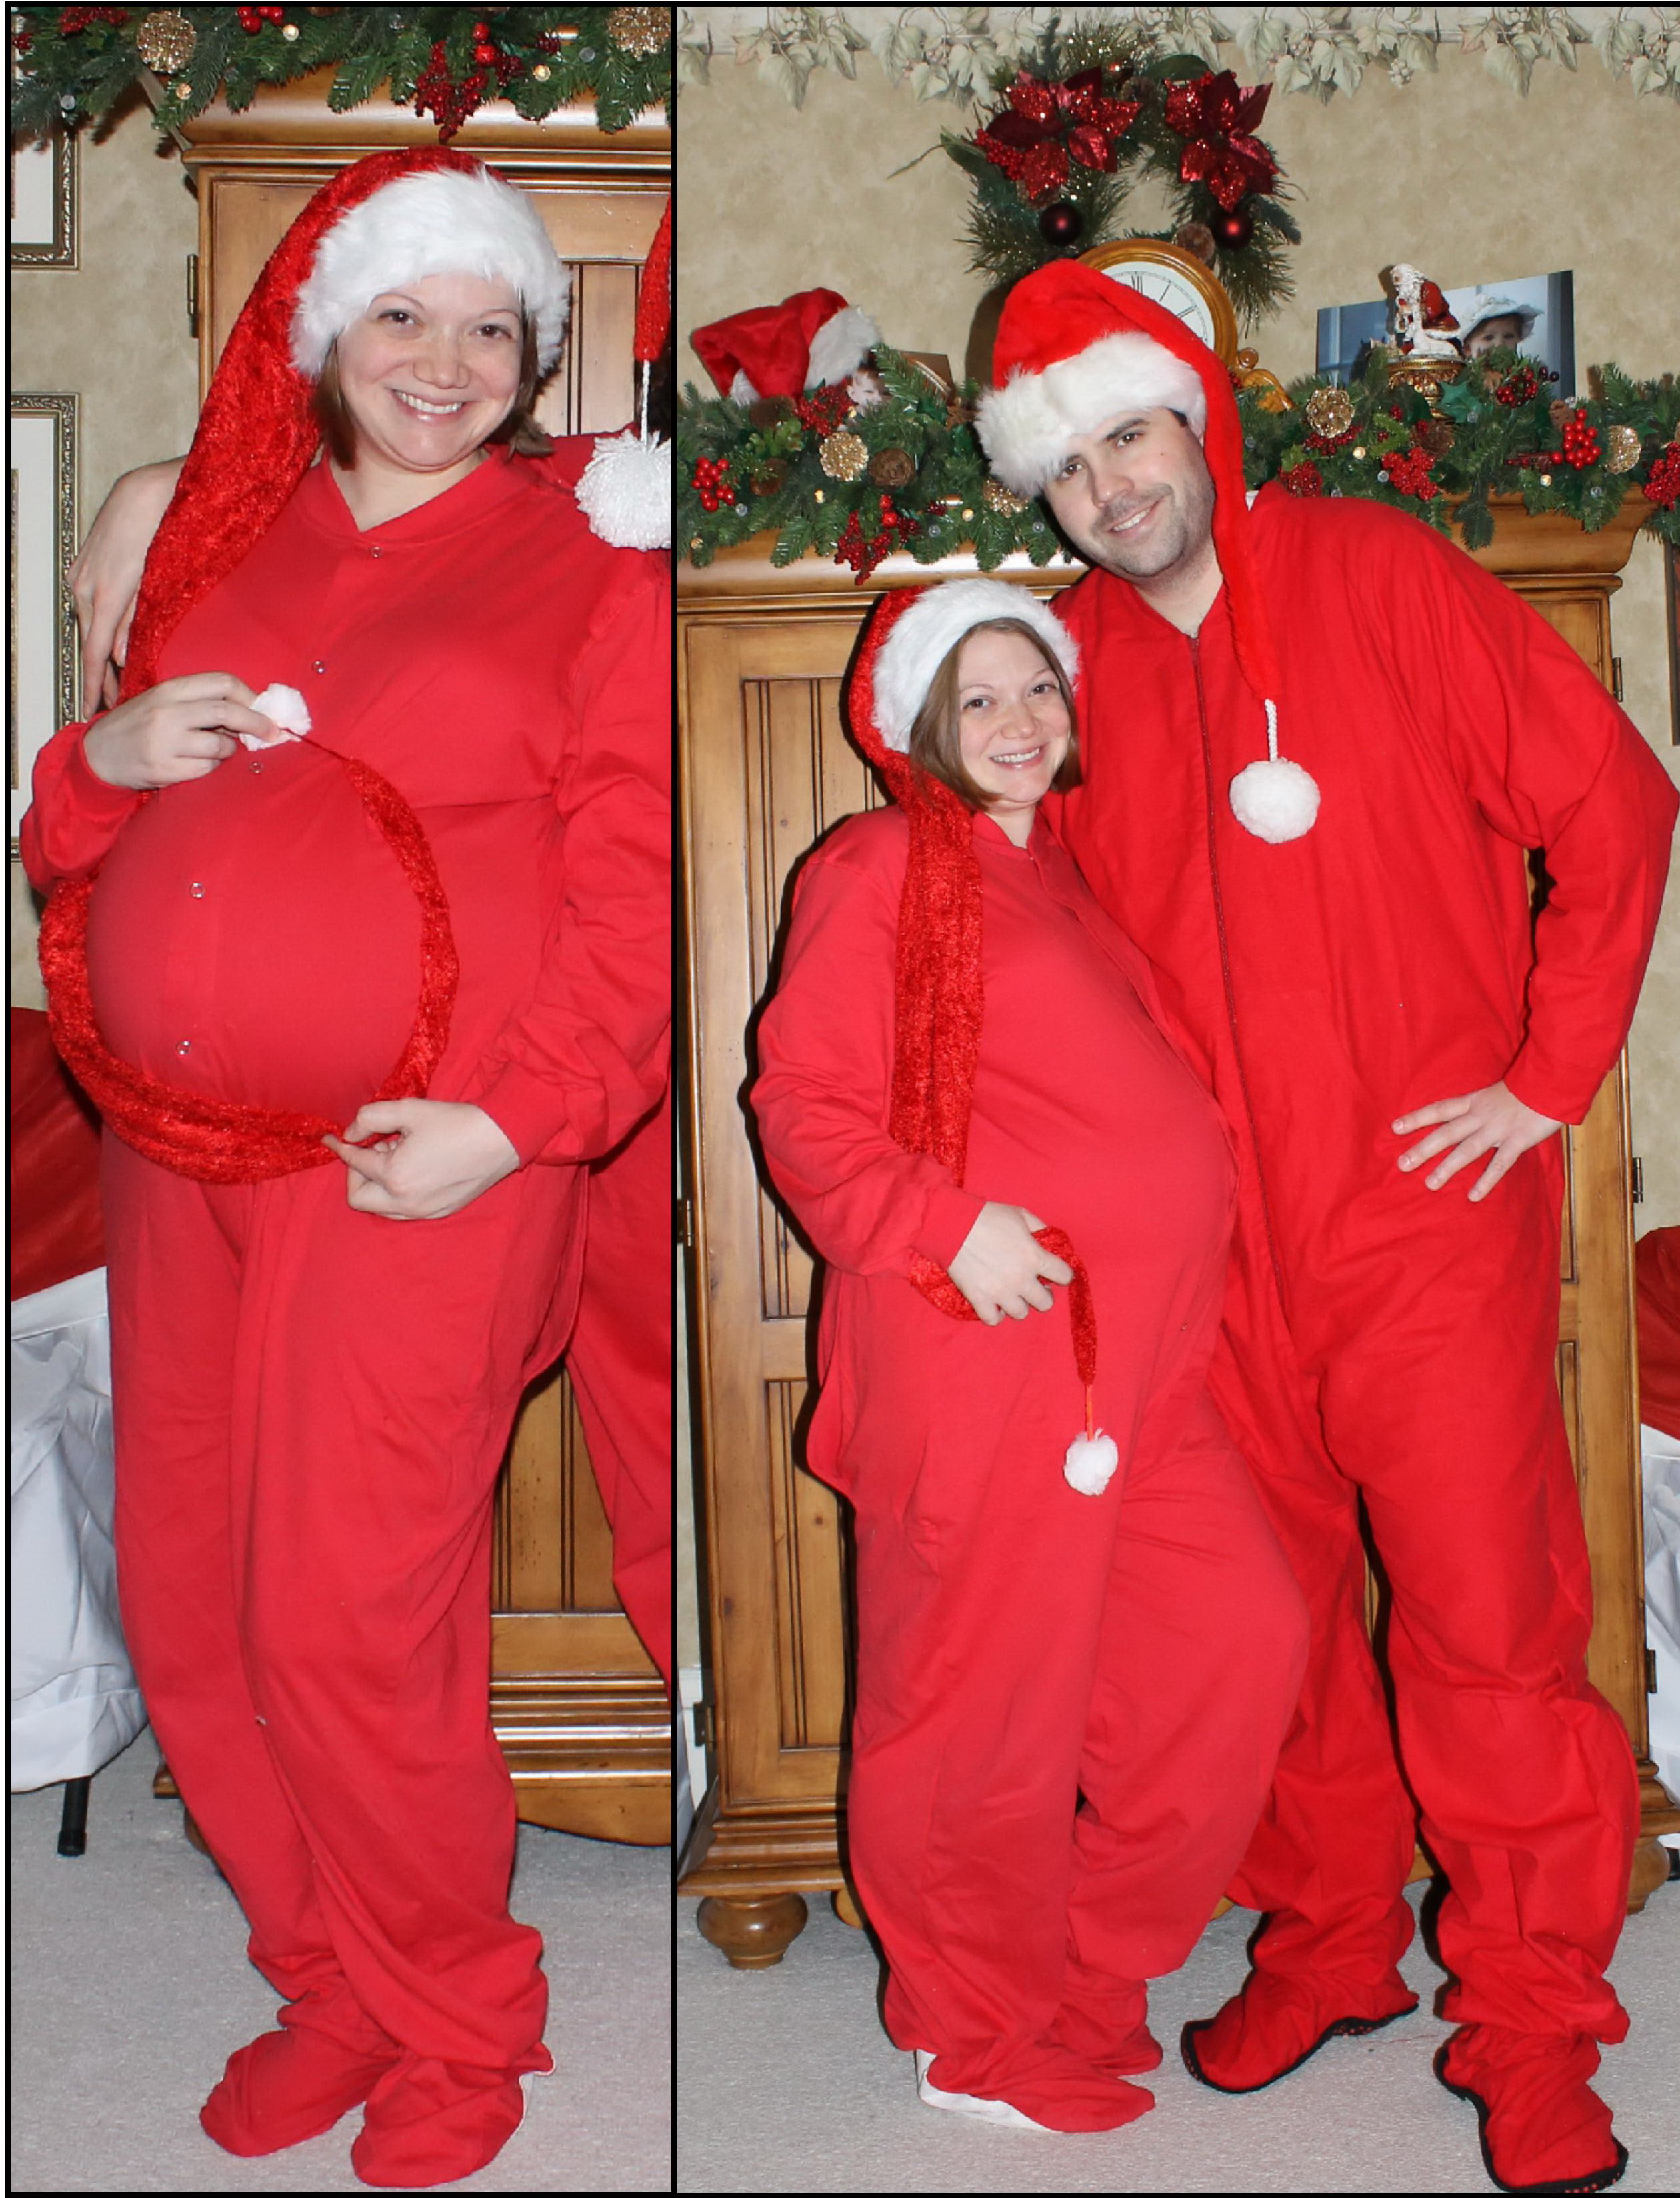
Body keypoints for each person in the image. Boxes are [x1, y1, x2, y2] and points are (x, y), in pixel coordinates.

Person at [974, 260, 1679, 2195]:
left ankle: (1528, 2018)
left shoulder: (1377, 574)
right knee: (1270, 1627)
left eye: (1132, 434)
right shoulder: (1060, 676)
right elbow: (985, 919)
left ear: (1196, 417)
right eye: (1069, 465)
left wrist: (1546, 1077)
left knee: (1486, 1628)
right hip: (1209, 1252)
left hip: (1416, 1217)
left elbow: (1610, 806)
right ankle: (1331, 1942)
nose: (1112, 487)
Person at [19, 147, 669, 2188]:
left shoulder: (594, 565)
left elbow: (634, 892)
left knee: (347, 1618)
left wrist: (518, 1120)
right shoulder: (221, 533)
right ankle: (327, 1982)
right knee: (191, 1600)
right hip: (178, 1156)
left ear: (537, 363)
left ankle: (459, 2018)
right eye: (402, 315)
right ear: (323, 339)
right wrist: (94, 760)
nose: (444, 361)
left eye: (491, 328)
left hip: (424, 1164)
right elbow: (72, 843)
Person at [747, 577, 1308, 2136]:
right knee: (976, 1713)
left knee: (1236, 1645)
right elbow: (804, 1102)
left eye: (1037, 688)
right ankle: (971, 2031)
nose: (1017, 721)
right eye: (979, 696)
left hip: (1139, 1372)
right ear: (919, 723)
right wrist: (941, 1224)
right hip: (987, 1359)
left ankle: (1081, 1965)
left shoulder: (1056, 872)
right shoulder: (877, 864)